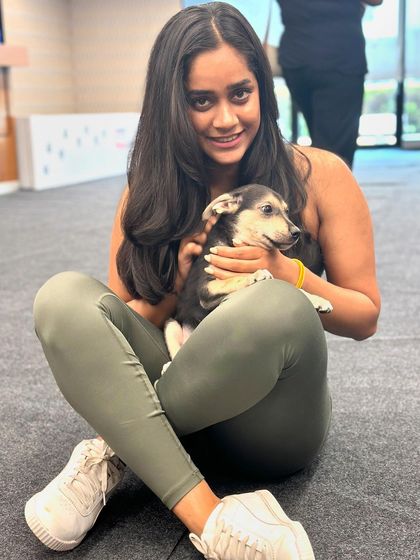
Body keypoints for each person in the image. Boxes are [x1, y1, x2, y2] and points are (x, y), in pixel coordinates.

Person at [24, 3, 381, 559]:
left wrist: (288, 272)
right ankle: (213, 521)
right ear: (173, 106)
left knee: (277, 307)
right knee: (63, 299)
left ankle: (115, 450)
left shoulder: (321, 176)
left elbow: (365, 316)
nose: (225, 118)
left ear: (262, 89)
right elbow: (119, 339)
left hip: (272, 427)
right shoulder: (146, 194)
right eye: (200, 100)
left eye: (240, 93)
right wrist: (174, 289)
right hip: (183, 414)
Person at [276, 0, 383, 168]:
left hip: (297, 60)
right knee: (335, 154)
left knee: (324, 146)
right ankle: (326, 192)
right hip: (339, 60)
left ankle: (316, 188)